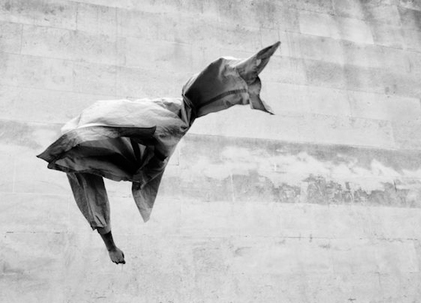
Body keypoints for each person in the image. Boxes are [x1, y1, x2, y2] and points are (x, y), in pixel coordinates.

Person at [37, 42, 281, 264]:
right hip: (136, 143)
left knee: (181, 114)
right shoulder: (75, 160)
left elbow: (165, 110)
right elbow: (94, 202)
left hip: (132, 129)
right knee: (180, 116)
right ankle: (241, 79)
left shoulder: (88, 137)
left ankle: (241, 77)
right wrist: (111, 246)